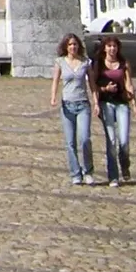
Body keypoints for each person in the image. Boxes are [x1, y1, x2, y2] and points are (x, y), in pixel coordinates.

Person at [90, 35, 136, 187]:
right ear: (104, 48)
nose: (112, 49)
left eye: (114, 46)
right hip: (106, 103)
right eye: (109, 46)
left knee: (124, 140)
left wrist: (135, 105)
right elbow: (94, 85)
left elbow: (129, 85)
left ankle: (124, 164)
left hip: (122, 104)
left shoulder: (124, 63)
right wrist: (103, 91)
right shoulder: (99, 64)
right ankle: (113, 176)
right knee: (111, 141)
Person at [48, 33, 95, 184]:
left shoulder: (85, 62)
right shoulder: (60, 62)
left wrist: (96, 101)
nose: (72, 47)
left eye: (75, 44)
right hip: (67, 105)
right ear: (65, 47)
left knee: (85, 138)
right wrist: (53, 97)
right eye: (70, 44)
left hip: (83, 104)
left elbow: (92, 83)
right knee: (70, 142)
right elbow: (55, 80)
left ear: (78, 46)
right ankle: (75, 173)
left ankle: (88, 171)